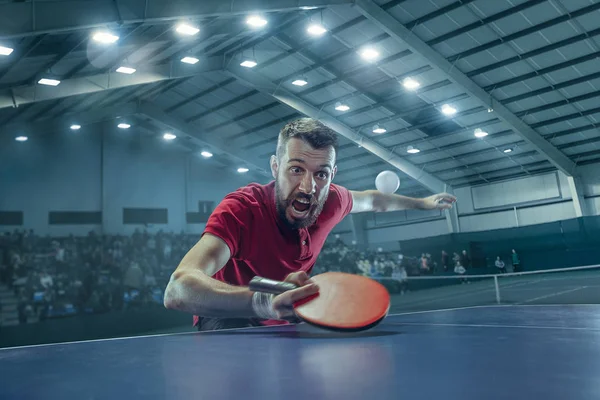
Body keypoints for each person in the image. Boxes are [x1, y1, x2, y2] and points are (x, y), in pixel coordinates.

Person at [163, 118, 457, 331]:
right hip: (226, 315)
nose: (308, 186)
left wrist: (423, 203)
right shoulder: (242, 209)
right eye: (296, 169)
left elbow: (374, 200)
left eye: (321, 174)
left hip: (282, 314)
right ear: (275, 167)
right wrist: (263, 303)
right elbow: (177, 290)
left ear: (332, 176)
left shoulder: (332, 201)